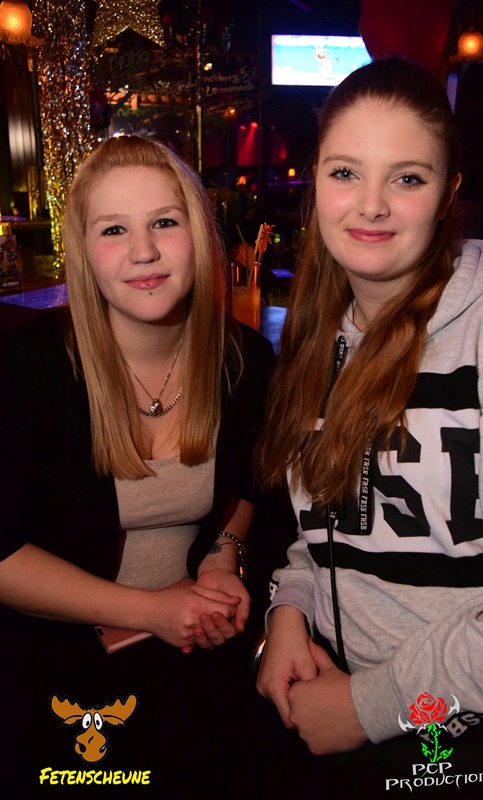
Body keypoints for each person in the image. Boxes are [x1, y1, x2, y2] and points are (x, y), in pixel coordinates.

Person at [255, 57, 483, 798]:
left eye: (407, 178)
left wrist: (367, 707)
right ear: (315, 183)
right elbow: (335, 528)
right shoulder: (319, 337)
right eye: (346, 173)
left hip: (468, 734)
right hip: (336, 704)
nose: (371, 205)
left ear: (448, 196)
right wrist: (290, 607)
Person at [0, 135, 274, 798]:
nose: (144, 251)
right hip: (56, 669)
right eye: (114, 229)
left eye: (165, 222)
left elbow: (249, 482)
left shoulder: (244, 360)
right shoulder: (26, 369)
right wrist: (149, 610)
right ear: (83, 251)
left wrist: (221, 558)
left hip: (197, 653)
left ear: (199, 236)